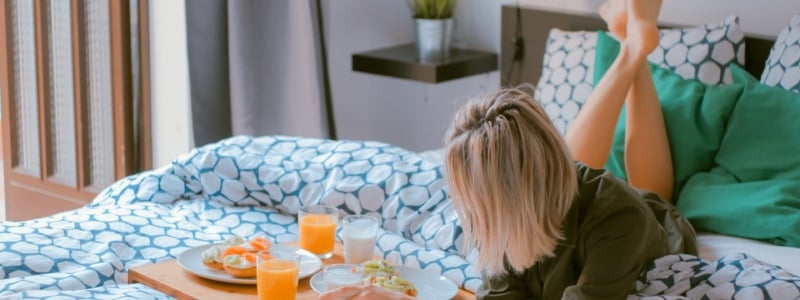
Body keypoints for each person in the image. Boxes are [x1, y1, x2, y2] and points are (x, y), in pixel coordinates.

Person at [319, 0, 696, 298]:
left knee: (651, 190)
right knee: (572, 164)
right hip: (553, 189)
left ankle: (634, 50)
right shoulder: (501, 218)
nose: (466, 212)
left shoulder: (619, 221)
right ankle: (633, 46)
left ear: (508, 195)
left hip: (645, 214)